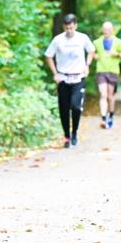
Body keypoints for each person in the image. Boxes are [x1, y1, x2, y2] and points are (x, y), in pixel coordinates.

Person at [44, 14, 94, 148]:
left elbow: (91, 50)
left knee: (76, 107)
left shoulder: (82, 38)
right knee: (64, 109)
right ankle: (66, 136)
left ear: (75, 26)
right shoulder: (58, 40)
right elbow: (48, 56)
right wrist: (55, 73)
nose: (69, 31)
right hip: (63, 78)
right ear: (63, 27)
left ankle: (74, 133)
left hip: (78, 77)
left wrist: (87, 65)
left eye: (71, 28)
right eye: (66, 28)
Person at [92, 21, 121, 129]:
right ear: (102, 30)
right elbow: (91, 52)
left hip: (113, 71)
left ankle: (111, 115)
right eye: (105, 29)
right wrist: (95, 56)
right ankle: (103, 118)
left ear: (112, 30)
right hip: (101, 71)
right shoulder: (97, 42)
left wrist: (116, 54)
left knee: (110, 96)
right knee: (103, 95)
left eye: (108, 29)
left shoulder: (119, 42)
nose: (106, 31)